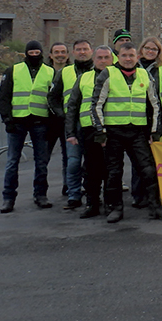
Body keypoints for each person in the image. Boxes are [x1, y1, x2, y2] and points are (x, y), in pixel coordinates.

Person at [90, 42, 162, 223]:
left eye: (131, 55)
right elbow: (95, 104)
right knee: (114, 173)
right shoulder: (108, 74)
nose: (128, 59)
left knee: (147, 170)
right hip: (113, 132)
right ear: (119, 57)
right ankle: (115, 208)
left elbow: (155, 105)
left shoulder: (144, 75)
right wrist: (100, 132)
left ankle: (155, 207)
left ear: (137, 57)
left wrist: (154, 132)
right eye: (124, 56)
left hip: (137, 131)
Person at [0, 40, 55, 213]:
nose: (34, 55)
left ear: (42, 53)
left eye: (37, 52)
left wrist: (51, 122)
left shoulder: (50, 72)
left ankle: (41, 195)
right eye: (31, 52)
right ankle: (8, 198)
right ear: (26, 53)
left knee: (41, 162)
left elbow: (53, 99)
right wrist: (7, 119)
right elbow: (3, 97)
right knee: (12, 162)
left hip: (40, 122)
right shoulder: (13, 70)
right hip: (18, 122)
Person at [65, 46, 113, 218]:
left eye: (106, 57)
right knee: (91, 170)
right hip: (89, 130)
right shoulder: (83, 78)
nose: (103, 61)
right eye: (99, 57)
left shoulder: (118, 76)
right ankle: (92, 204)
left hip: (112, 128)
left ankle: (110, 204)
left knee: (110, 169)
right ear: (94, 59)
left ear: (112, 59)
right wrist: (70, 132)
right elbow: (72, 106)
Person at [49, 39, 93, 209]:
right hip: (73, 125)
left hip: (92, 124)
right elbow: (52, 98)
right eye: (79, 49)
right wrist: (62, 116)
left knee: (93, 163)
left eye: (85, 49)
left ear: (91, 51)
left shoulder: (99, 71)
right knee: (73, 162)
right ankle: (73, 195)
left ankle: (92, 194)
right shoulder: (64, 72)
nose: (82, 52)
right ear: (73, 53)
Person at [134, 37, 162, 206]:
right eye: (147, 48)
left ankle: (157, 195)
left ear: (159, 52)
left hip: (158, 119)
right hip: (136, 119)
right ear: (142, 49)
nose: (150, 51)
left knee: (156, 160)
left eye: (154, 49)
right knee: (139, 159)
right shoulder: (133, 67)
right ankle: (138, 195)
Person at [46, 42, 71, 200]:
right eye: (56, 52)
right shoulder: (45, 72)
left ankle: (68, 186)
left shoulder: (71, 72)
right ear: (51, 55)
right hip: (47, 121)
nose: (60, 54)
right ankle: (41, 190)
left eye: (63, 52)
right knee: (43, 157)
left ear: (68, 55)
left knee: (68, 156)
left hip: (66, 120)